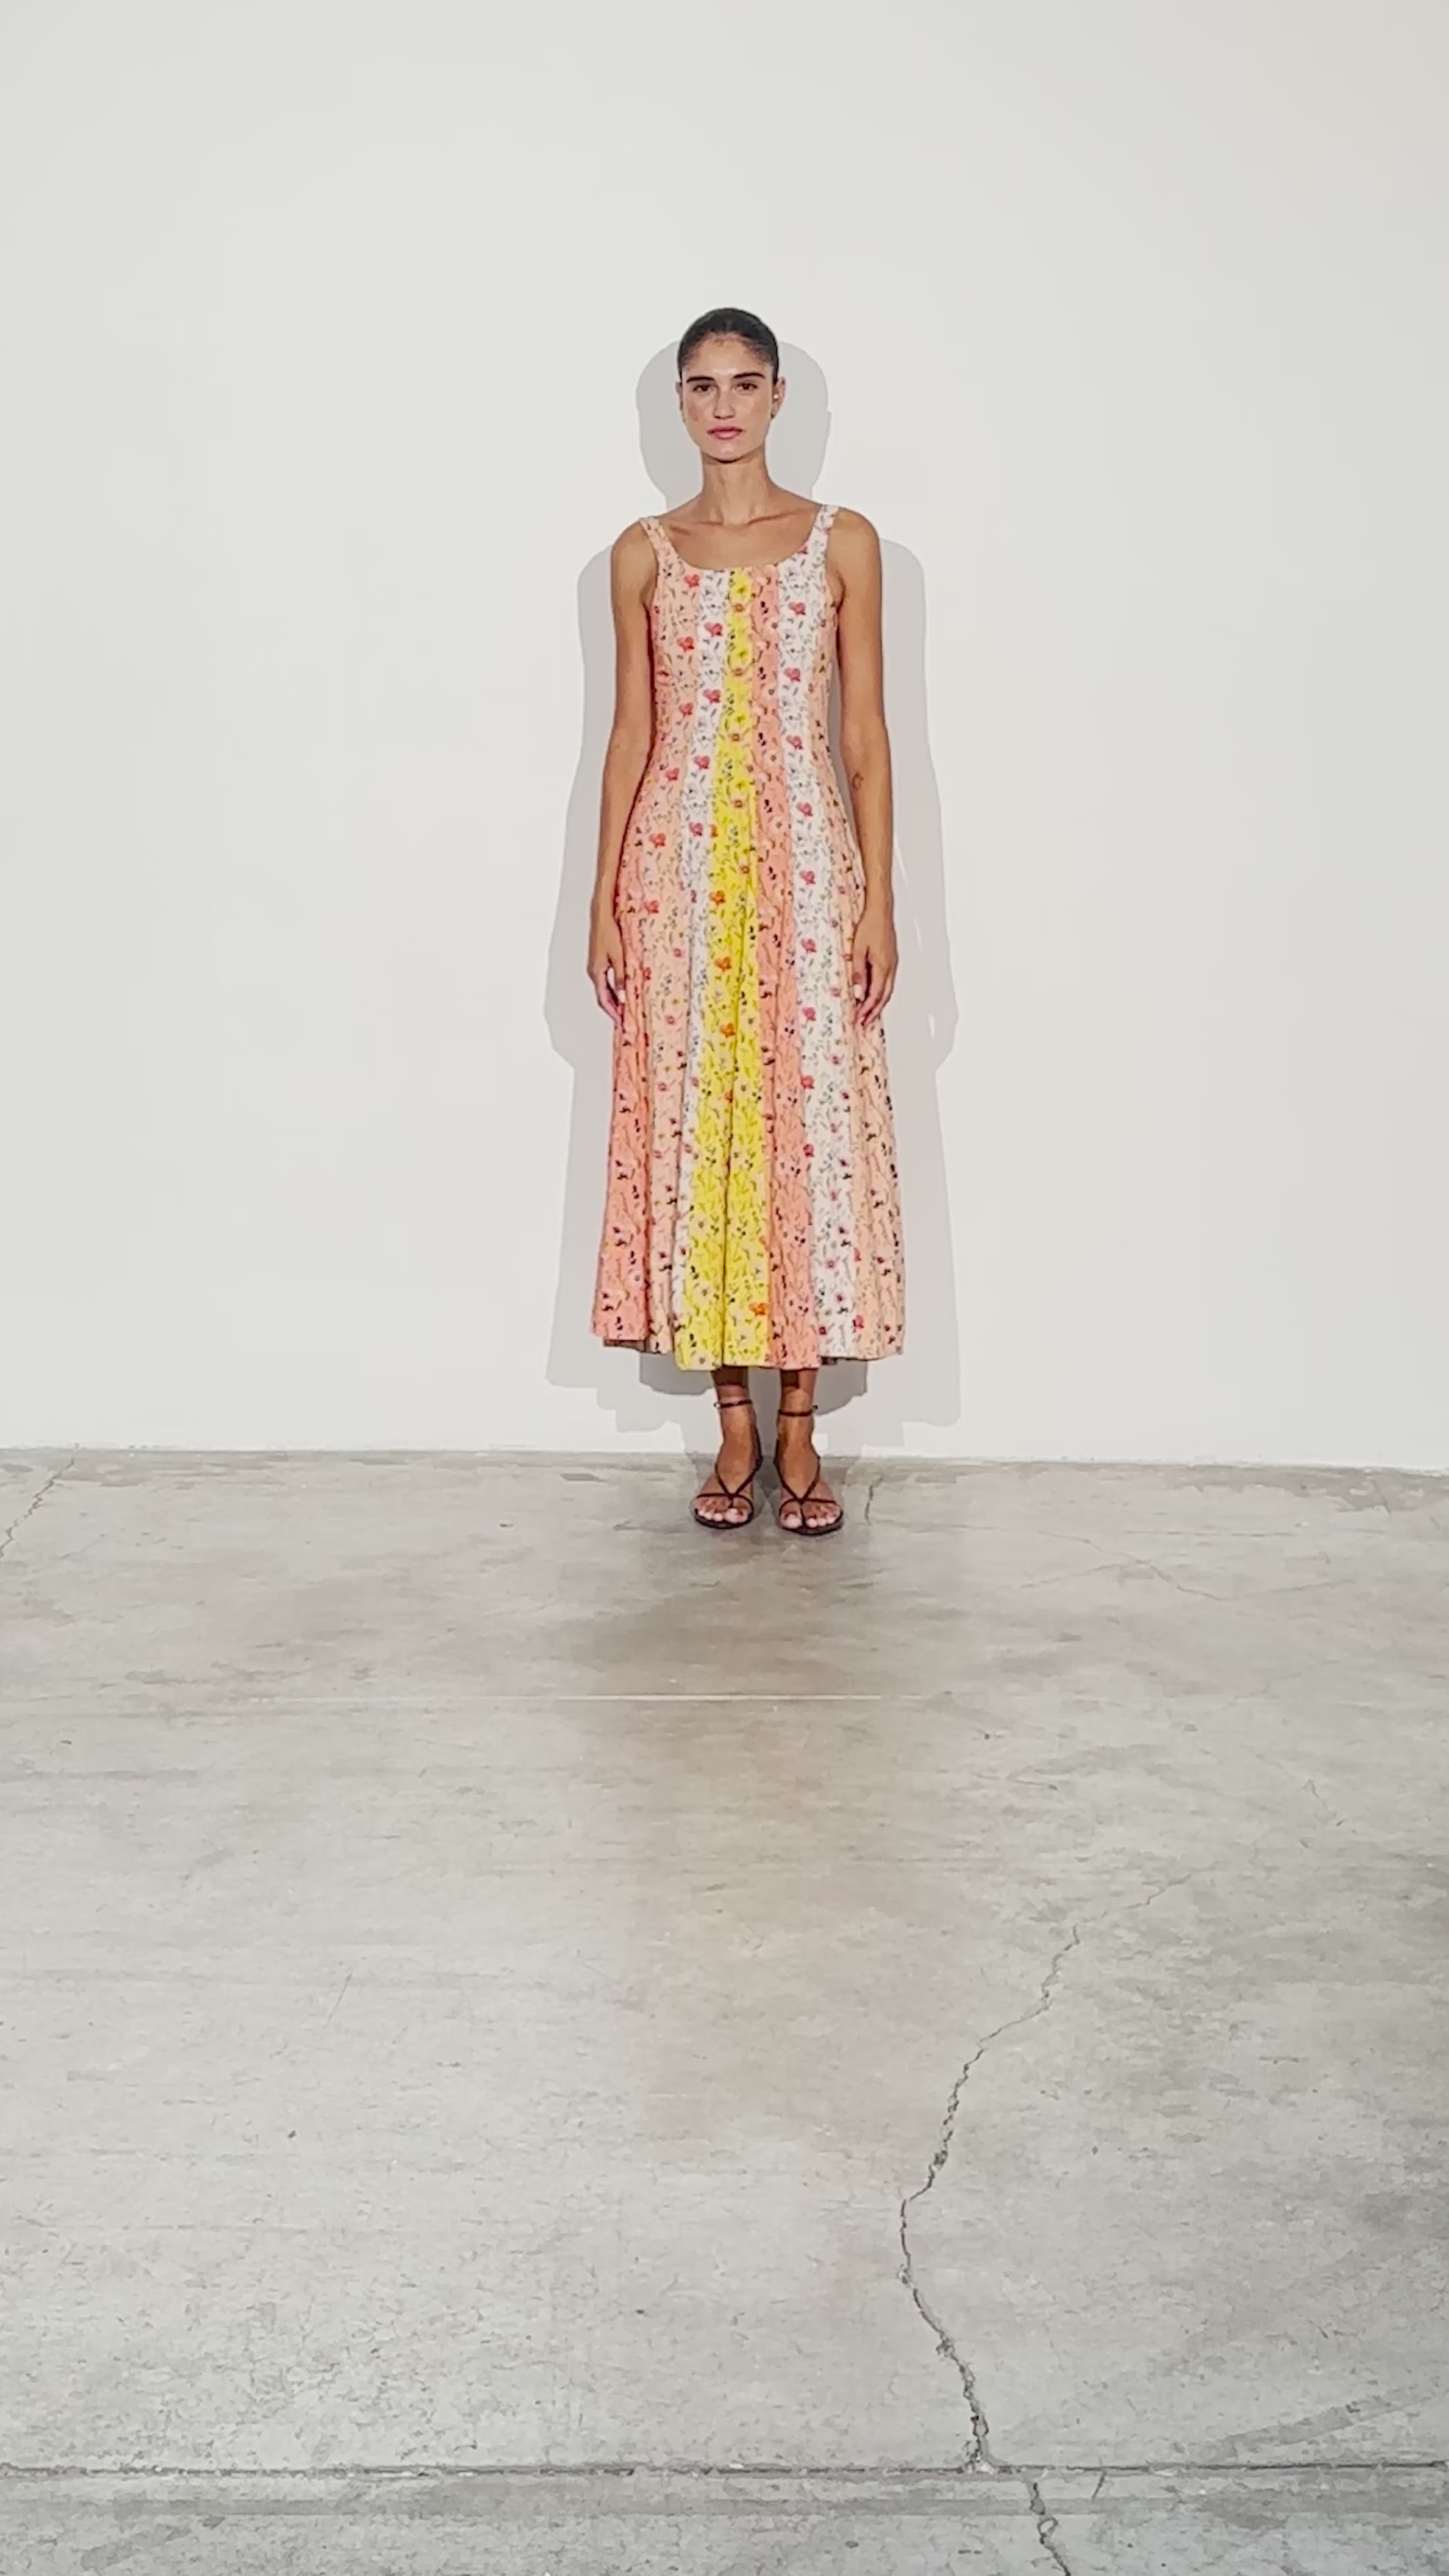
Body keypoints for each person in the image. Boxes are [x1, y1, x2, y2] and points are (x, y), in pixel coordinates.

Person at [589, 307, 904, 1534]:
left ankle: (800, 1427)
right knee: (700, 1126)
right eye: (702, 386)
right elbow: (631, 735)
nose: (723, 406)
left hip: (808, 872)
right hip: (676, 878)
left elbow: (864, 735)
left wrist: (880, 900)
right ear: (679, 403)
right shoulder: (642, 554)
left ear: (778, 398)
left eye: (745, 383)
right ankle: (731, 1423)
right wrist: (603, 899)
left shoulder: (843, 542)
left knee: (806, 1130)